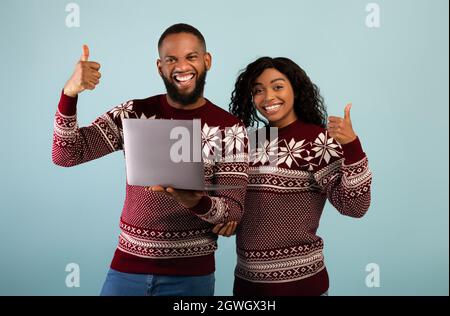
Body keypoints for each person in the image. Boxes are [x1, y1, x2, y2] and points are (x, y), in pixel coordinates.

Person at [52, 23, 248, 296]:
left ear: (207, 61)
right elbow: (66, 154)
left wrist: (194, 200)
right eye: (171, 59)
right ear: (159, 66)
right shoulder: (133, 113)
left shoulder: (229, 128)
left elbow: (233, 211)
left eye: (191, 57)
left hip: (191, 278)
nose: (182, 66)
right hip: (126, 271)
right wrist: (70, 93)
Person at [215, 56, 372, 296]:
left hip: (302, 286)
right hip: (247, 285)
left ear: (296, 90)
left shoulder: (317, 142)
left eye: (278, 86)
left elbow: (355, 206)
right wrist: (228, 221)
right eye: (258, 90)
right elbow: (247, 209)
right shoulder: (248, 142)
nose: (268, 97)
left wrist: (352, 146)